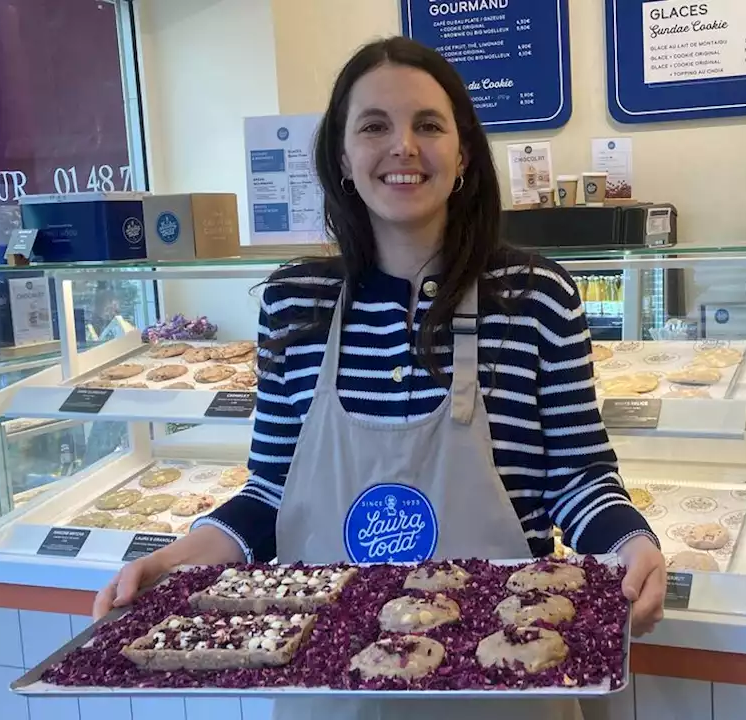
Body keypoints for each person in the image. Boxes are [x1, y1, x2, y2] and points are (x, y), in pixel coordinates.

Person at [93, 36, 666, 719]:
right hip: (326, 686)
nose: (403, 146)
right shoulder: (295, 303)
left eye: (429, 125)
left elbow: (577, 477)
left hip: (505, 687)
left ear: (462, 156)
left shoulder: (534, 295)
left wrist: (633, 542)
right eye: (374, 126)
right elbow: (270, 496)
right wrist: (174, 562)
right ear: (342, 157)